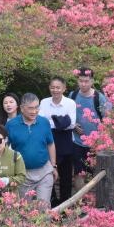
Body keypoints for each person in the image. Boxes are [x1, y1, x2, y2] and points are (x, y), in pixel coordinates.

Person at [5, 93, 57, 207]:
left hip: (44, 172)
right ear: (22, 108)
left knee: (43, 207)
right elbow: (3, 148)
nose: (34, 111)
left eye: (37, 107)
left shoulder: (44, 122)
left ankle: (45, 225)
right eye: (31, 108)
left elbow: (51, 143)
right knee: (24, 210)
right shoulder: (11, 125)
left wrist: (53, 166)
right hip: (22, 174)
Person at [69, 67, 111, 188]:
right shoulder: (73, 95)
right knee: (78, 173)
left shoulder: (99, 98)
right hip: (77, 142)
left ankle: (96, 203)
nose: (83, 84)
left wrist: (101, 139)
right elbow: (67, 115)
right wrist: (73, 125)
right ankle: (79, 202)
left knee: (96, 173)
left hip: (95, 144)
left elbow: (108, 120)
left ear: (92, 81)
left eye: (86, 81)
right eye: (81, 80)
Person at [41, 76, 77, 206]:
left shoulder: (70, 103)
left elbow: (72, 124)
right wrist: (61, 121)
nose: (55, 90)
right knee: (48, 175)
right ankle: (52, 203)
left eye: (58, 87)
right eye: (52, 87)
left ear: (64, 88)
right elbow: (41, 122)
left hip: (65, 142)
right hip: (48, 141)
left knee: (66, 177)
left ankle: (65, 205)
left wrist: (54, 121)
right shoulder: (44, 102)